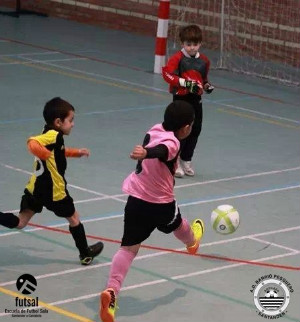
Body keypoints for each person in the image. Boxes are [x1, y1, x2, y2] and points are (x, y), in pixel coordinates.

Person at [99, 101, 205, 322]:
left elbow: (156, 148)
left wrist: (145, 151)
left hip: (135, 199)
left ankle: (111, 293)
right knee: (178, 223)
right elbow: (162, 151)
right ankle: (192, 243)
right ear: (185, 128)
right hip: (159, 203)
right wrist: (147, 152)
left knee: (128, 248)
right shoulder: (174, 143)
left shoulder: (154, 129)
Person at [0, 97, 103, 265]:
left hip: (35, 188)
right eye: (70, 120)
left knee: (20, 222)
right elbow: (32, 143)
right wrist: (43, 154)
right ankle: (85, 254)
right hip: (54, 191)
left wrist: (76, 153)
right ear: (58, 122)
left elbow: (57, 152)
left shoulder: (48, 132)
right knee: (74, 218)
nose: (73, 124)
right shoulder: (53, 135)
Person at [162, 24, 214, 178]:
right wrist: (186, 83)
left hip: (196, 99)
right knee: (181, 130)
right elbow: (167, 75)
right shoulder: (177, 58)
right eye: (188, 44)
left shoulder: (204, 61)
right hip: (181, 98)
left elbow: (203, 79)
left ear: (200, 44)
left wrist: (206, 85)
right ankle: (175, 160)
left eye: (195, 44)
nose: (192, 48)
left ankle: (186, 159)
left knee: (195, 129)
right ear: (182, 43)